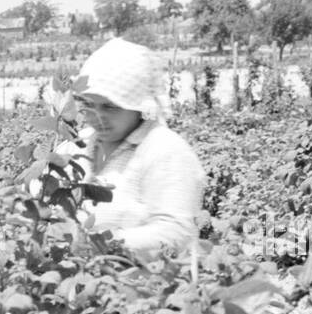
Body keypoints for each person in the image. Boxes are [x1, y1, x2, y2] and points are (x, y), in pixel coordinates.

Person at [62, 38, 205, 259]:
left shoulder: (165, 151)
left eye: (110, 107)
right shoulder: (77, 145)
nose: (97, 117)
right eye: (89, 105)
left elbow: (177, 233)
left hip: (140, 286)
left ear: (137, 105)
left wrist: (100, 244)